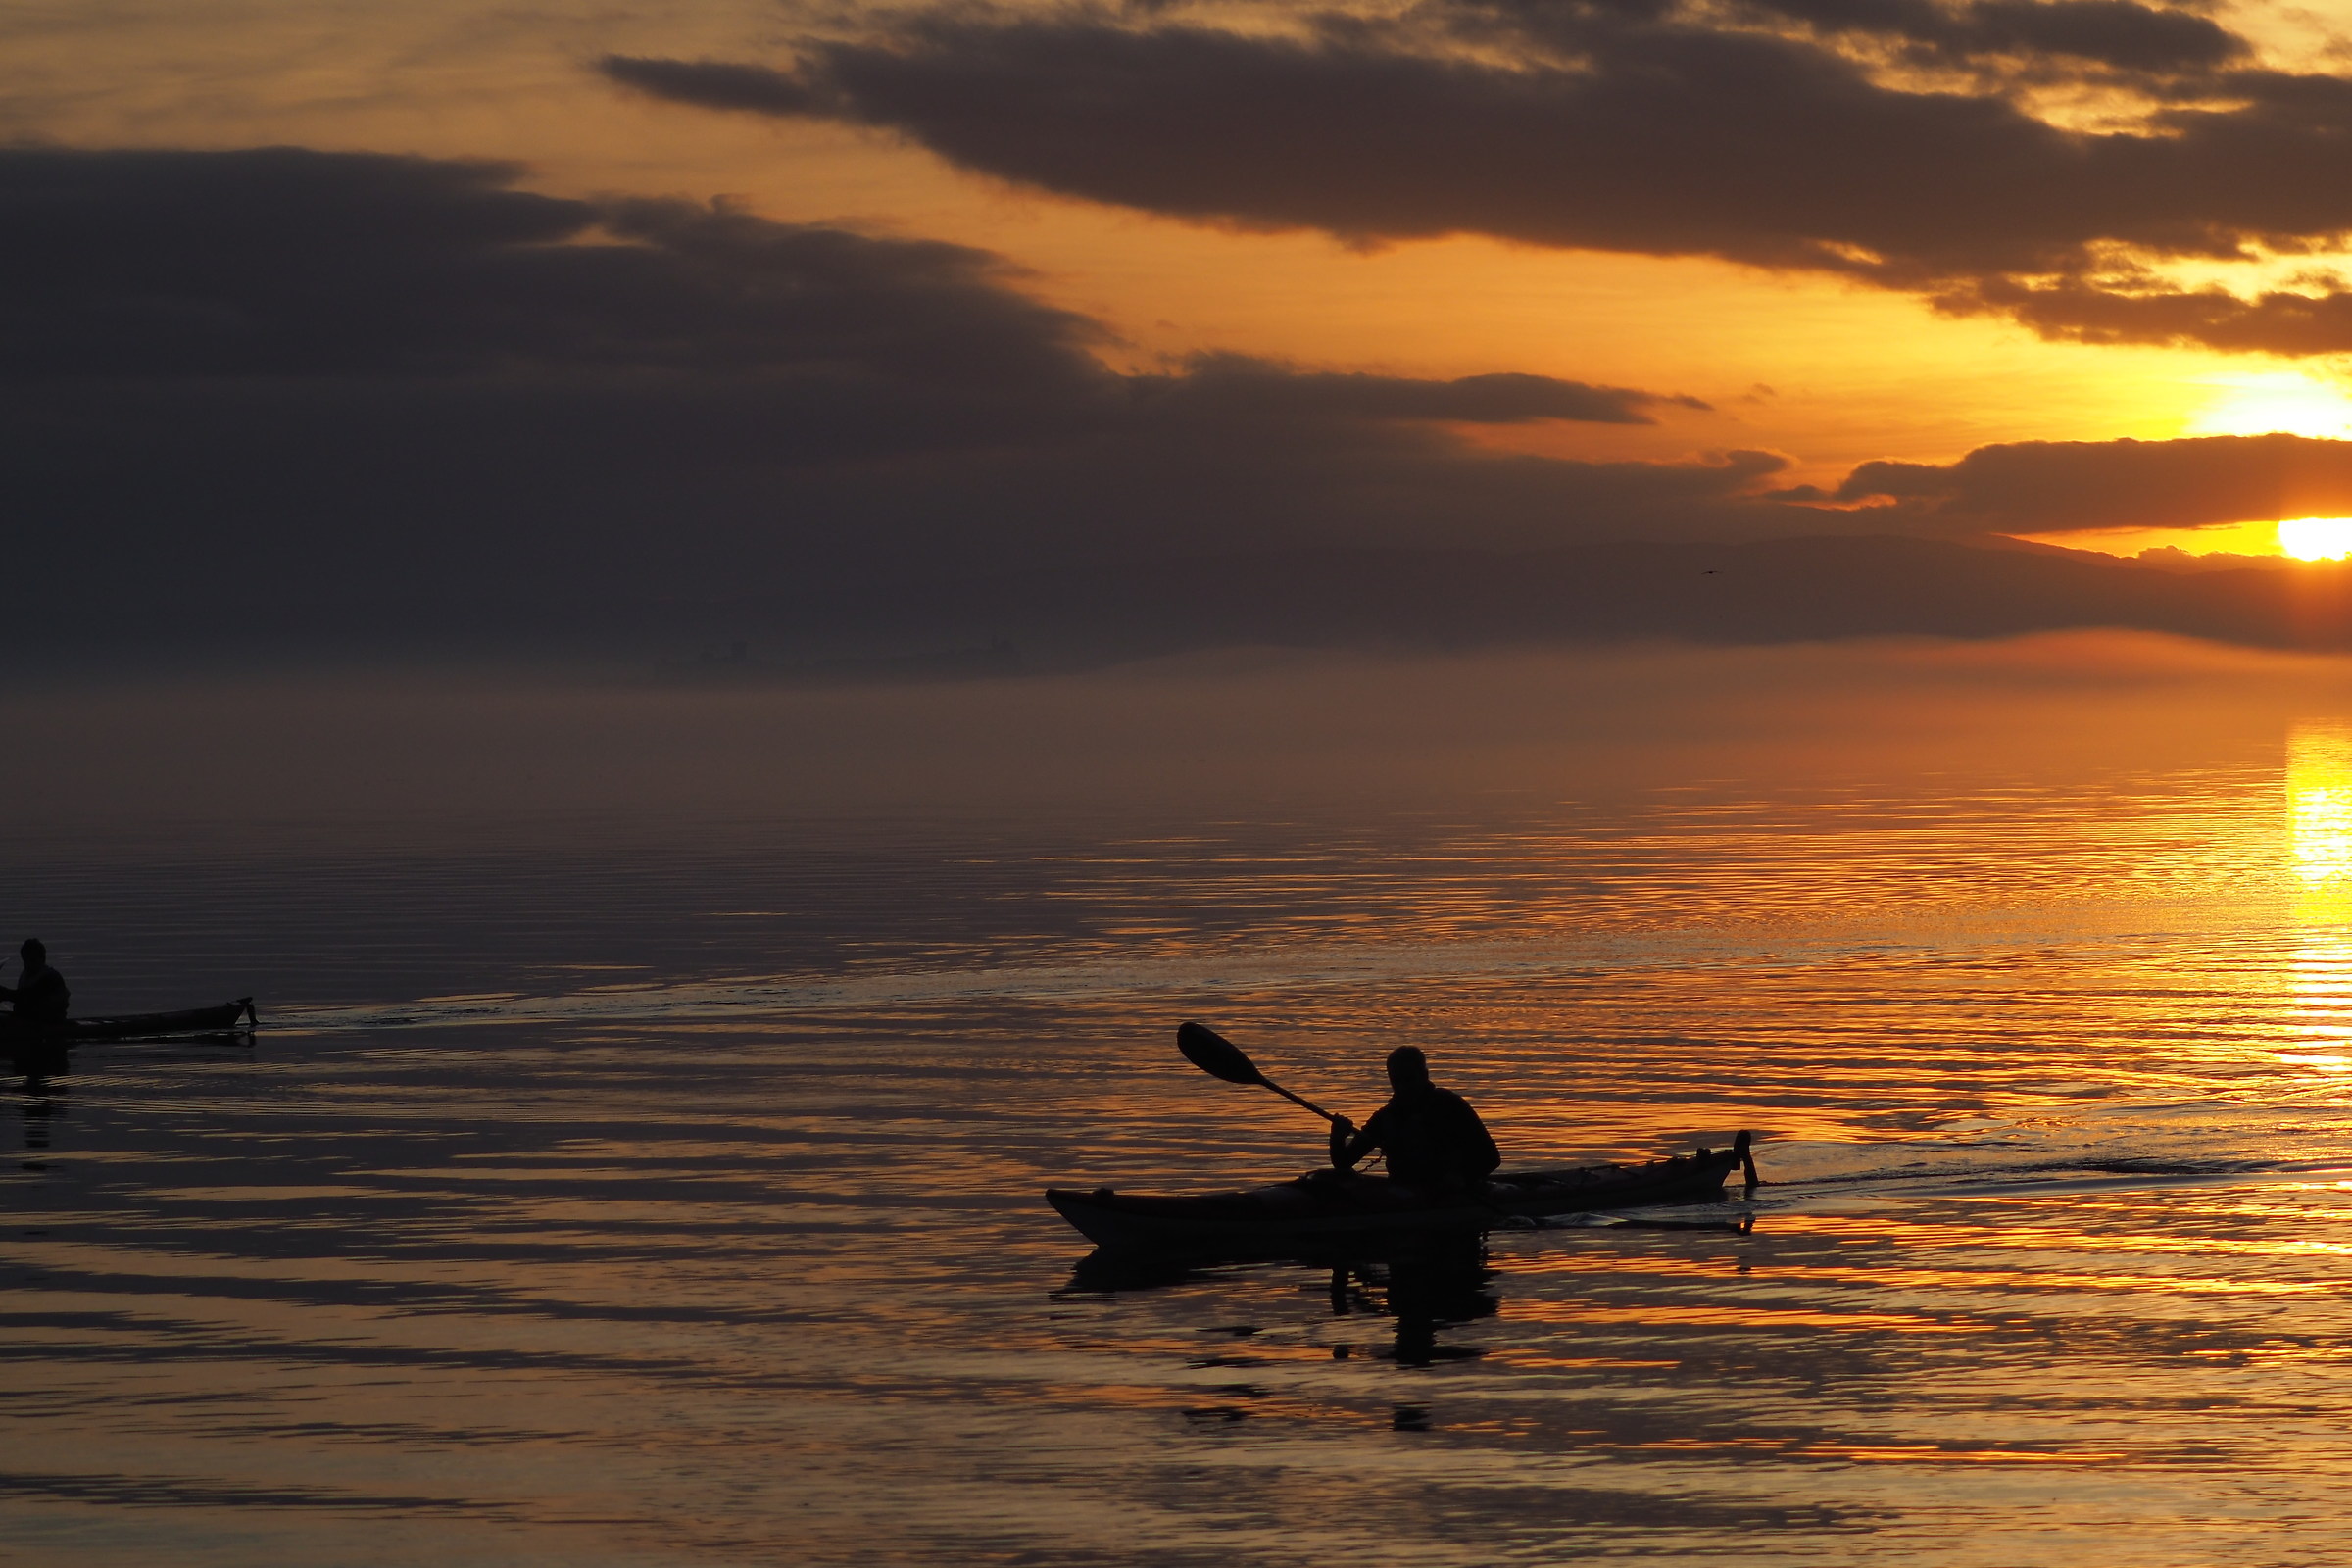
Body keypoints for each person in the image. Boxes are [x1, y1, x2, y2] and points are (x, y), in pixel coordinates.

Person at [1329, 1045, 1499, 1198]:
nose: (1403, 1087)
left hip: (1449, 1195)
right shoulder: (1386, 1116)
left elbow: (1491, 1157)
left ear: (1424, 1075)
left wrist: (1462, 1177)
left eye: (1409, 1079)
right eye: (1397, 1081)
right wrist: (1337, 1138)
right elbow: (1343, 1162)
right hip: (1405, 1195)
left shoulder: (1450, 1105)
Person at [1, 939, 71, 1028]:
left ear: (42, 959)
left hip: (49, 1022)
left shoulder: (51, 978)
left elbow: (28, 996)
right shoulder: (25, 975)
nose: (28, 964)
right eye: (25, 960)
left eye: (32, 960)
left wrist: (4, 993)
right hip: (27, 1019)